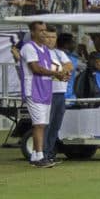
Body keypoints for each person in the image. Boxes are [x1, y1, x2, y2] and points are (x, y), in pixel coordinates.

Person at [19, 21, 66, 167]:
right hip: (33, 89)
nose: (44, 33)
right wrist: (55, 74)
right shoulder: (28, 48)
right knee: (39, 124)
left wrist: (60, 74)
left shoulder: (45, 50)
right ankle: (39, 157)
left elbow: (47, 68)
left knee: (43, 124)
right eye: (40, 31)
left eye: (45, 30)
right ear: (33, 33)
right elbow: (36, 69)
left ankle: (36, 156)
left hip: (45, 89)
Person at [44, 27, 73, 163]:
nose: (51, 40)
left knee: (56, 125)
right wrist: (61, 72)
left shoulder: (58, 53)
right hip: (48, 93)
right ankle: (43, 154)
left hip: (60, 92)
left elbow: (69, 65)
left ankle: (50, 153)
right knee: (46, 125)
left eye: (53, 37)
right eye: (48, 37)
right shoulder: (41, 53)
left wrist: (60, 71)